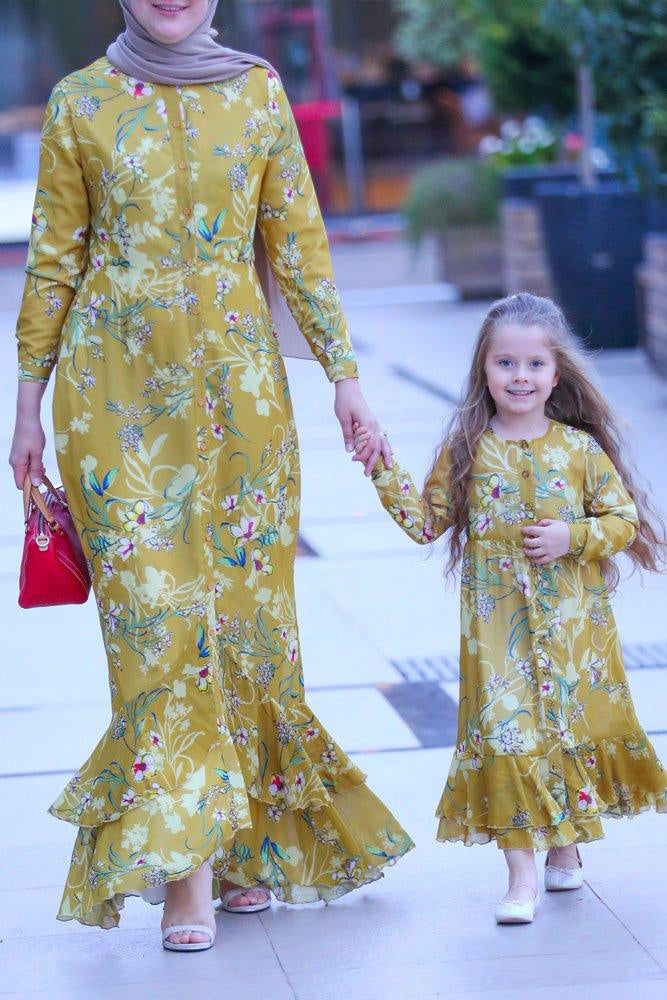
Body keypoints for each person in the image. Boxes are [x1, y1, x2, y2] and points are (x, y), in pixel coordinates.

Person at [9, 0, 412, 952]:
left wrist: (345, 382)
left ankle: (245, 846)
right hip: (112, 398)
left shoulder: (258, 92)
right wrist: (27, 401)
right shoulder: (81, 102)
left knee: (248, 626)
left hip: (241, 406)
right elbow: (53, 258)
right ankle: (184, 870)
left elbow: (299, 246)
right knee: (153, 626)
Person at [353, 292, 667, 924]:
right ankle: (519, 876)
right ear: (484, 369)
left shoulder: (578, 451)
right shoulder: (468, 449)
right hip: (496, 631)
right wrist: (382, 466)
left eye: (533, 365)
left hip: (575, 630)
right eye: (505, 364)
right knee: (507, 734)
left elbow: (622, 519)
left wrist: (571, 537)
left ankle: (565, 849)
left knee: (564, 731)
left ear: (556, 373)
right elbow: (425, 522)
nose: (519, 377)